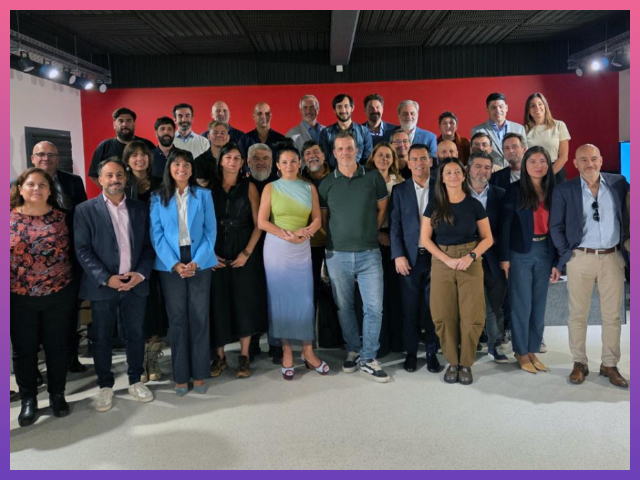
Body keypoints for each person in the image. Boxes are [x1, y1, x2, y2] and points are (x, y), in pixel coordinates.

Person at [74, 158, 155, 412]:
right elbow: (82, 249)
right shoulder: (85, 210)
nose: (114, 180)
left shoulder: (140, 208)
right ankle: (105, 385)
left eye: (119, 175)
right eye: (109, 175)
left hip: (134, 284)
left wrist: (140, 275)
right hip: (103, 286)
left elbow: (148, 246)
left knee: (135, 335)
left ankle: (135, 380)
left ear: (126, 178)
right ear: (100, 179)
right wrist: (106, 278)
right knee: (101, 338)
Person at [550, 144, 630, 388]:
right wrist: (567, 255)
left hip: (612, 257)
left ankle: (609, 364)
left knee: (612, 315)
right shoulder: (564, 190)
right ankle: (579, 362)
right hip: (581, 258)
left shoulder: (618, 183)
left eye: (594, 158)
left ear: (601, 160)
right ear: (575, 163)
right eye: (583, 159)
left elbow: (629, 214)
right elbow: (556, 226)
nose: (589, 164)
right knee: (578, 314)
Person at [319, 132, 390, 383]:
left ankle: (369, 357)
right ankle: (353, 350)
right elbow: (324, 220)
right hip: (337, 254)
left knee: (374, 307)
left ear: (357, 150)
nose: (345, 152)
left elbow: (382, 208)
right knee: (344, 307)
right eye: (340, 149)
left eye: (349, 148)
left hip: (369, 253)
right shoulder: (326, 184)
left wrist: (371, 230)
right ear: (334, 153)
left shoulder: (373, 178)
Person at [10, 168, 77, 426]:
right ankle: (29, 399)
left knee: (57, 348)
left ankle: (57, 395)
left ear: (50, 190)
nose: (36, 188)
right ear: (20, 189)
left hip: (58, 296)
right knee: (24, 351)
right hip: (18, 298)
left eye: (42, 184)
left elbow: (75, 253)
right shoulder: (8, 218)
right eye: (30, 184)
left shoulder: (64, 218)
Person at [150, 149, 217, 396]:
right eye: (176, 164)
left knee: (199, 317)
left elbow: (210, 232)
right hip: (170, 263)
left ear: (192, 169)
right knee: (177, 320)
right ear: (169, 168)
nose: (181, 168)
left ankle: (199, 373)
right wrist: (175, 264)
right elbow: (156, 235)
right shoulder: (157, 197)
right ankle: (180, 376)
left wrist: (197, 262)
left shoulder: (204, 195)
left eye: (186, 164)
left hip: (200, 260)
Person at [420, 158, 493, 385]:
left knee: (472, 315)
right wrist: (446, 260)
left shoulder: (474, 205)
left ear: (463, 176)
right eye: (448, 172)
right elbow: (425, 239)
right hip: (442, 260)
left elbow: (488, 238)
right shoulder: (434, 205)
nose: (453, 176)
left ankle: (466, 363)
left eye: (457, 172)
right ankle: (452, 361)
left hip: (470, 260)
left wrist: (470, 256)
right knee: (443, 314)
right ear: (442, 178)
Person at [258, 146, 327, 380]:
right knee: (280, 301)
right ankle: (287, 351)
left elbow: (317, 219)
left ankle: (308, 351)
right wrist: (287, 235)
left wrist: (306, 232)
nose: (289, 166)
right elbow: (262, 222)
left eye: (293, 161)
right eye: (284, 162)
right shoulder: (270, 188)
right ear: (277, 165)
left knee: (305, 301)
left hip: (302, 247)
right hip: (277, 249)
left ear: (300, 163)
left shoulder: (309, 188)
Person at [500, 147, 561, 374]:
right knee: (521, 304)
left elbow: (559, 226)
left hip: (545, 251)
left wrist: (558, 262)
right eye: (532, 161)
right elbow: (505, 225)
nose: (538, 165)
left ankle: (532, 348)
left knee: (538, 304)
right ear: (525, 165)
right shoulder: (515, 190)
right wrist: (504, 258)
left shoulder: (555, 190)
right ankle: (520, 351)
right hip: (520, 253)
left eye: (542, 161)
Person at [209, 143, 267, 379]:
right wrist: (208, 254)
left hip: (244, 247)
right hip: (216, 250)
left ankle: (244, 356)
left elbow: (259, 224)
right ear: (221, 161)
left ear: (243, 163)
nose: (232, 161)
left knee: (245, 302)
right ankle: (220, 356)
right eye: (228, 157)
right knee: (218, 302)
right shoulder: (209, 187)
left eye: (237, 158)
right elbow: (202, 223)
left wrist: (247, 253)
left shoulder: (250, 187)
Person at [30, 141, 87, 373]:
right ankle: (34, 368)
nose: (46, 158)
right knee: (34, 319)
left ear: (58, 158)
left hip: (70, 256)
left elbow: (83, 214)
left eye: (51, 154)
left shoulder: (73, 181)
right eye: (41, 154)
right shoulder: (22, 184)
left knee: (69, 311)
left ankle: (71, 358)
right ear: (33, 158)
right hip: (34, 264)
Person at [389, 144, 441, 373]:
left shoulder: (441, 188)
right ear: (408, 164)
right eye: (415, 159)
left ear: (430, 161)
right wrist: (398, 255)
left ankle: (431, 352)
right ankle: (411, 352)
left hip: (435, 257)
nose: (419, 163)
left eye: (423, 158)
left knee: (432, 308)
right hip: (409, 259)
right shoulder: (399, 191)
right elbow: (395, 226)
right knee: (409, 309)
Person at [121, 141, 167, 383]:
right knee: (136, 305)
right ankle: (136, 360)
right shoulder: (121, 184)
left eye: (143, 155)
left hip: (159, 249)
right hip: (131, 251)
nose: (139, 159)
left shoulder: (161, 183)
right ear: (127, 160)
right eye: (134, 155)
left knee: (155, 303)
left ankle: (153, 356)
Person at [466, 152, 508, 363]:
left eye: (487, 167)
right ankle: (470, 343)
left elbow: (506, 230)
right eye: (478, 166)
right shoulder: (457, 192)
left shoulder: (501, 195)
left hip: (494, 258)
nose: (482, 171)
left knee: (494, 305)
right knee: (467, 305)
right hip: (465, 258)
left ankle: (495, 345)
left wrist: (505, 258)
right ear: (469, 169)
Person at [366, 142, 404, 357]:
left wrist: (395, 239)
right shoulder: (365, 180)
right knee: (377, 295)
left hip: (396, 241)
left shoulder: (400, 181)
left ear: (393, 159)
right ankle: (381, 343)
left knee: (396, 294)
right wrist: (377, 234)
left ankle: (398, 340)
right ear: (373, 157)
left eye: (388, 155)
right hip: (374, 240)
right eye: (380, 155)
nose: (384, 159)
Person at [88, 107, 155, 185]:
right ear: (114, 125)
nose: (124, 124)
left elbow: (155, 170)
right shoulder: (104, 147)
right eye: (120, 121)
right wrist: (110, 190)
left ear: (134, 124)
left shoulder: (147, 145)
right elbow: (93, 175)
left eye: (128, 121)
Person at [301, 141, 331, 305]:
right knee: (311, 289)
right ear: (303, 159)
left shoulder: (337, 174)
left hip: (336, 242)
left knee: (337, 290)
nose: (312, 156)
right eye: (307, 154)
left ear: (324, 156)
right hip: (310, 243)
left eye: (316, 152)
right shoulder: (298, 179)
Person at [524, 93, 571, 183]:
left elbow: (564, 156)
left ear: (545, 106)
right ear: (528, 110)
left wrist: (548, 175)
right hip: (534, 174)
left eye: (540, 104)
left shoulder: (559, 125)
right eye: (532, 106)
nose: (537, 108)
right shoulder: (524, 130)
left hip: (556, 173)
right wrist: (537, 175)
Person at [471, 93, 527, 169]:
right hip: (491, 172)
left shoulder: (519, 128)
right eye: (493, 107)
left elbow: (525, 154)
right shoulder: (478, 130)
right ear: (487, 110)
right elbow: (474, 158)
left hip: (515, 171)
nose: (498, 110)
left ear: (506, 108)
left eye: (501, 106)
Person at [320, 94, 373, 168]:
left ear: (352, 108)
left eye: (346, 106)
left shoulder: (364, 132)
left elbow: (367, 160)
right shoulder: (325, 133)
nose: (343, 110)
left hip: (359, 174)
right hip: (333, 174)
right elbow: (324, 160)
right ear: (334, 110)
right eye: (339, 107)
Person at [195, 121, 231, 187]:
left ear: (228, 137)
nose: (219, 135)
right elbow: (202, 187)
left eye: (222, 133)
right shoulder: (199, 161)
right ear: (208, 136)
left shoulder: (234, 160)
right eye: (215, 133)